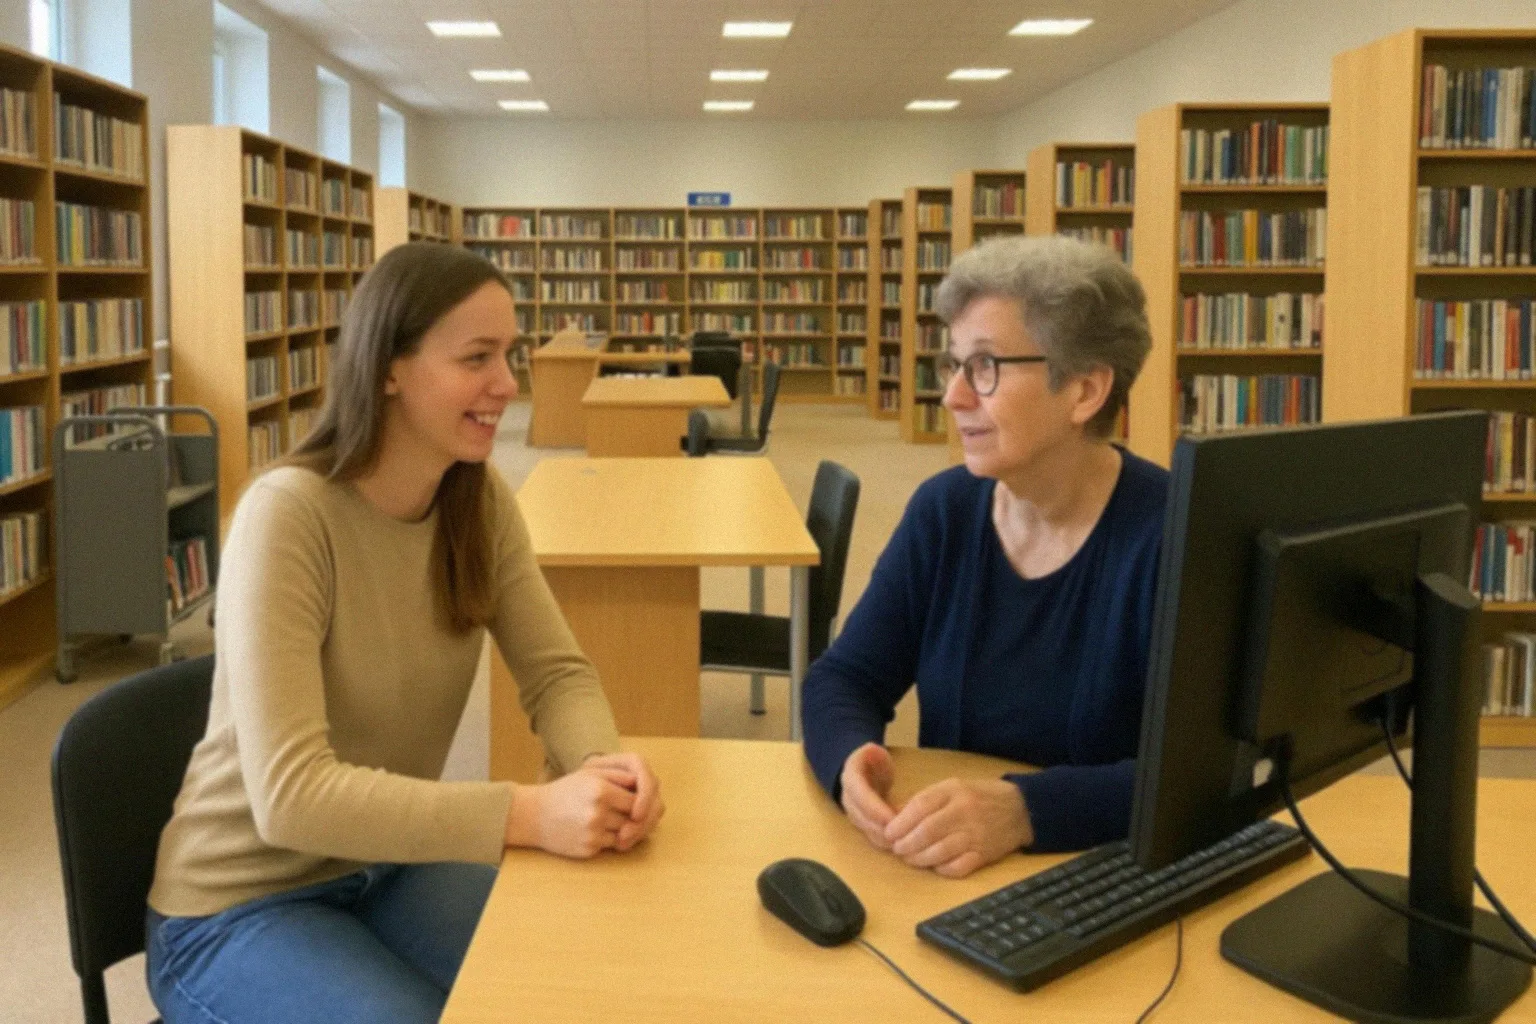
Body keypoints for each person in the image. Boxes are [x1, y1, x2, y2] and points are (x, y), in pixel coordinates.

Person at [145, 243, 664, 1024]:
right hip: (236, 907)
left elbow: (557, 674)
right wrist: (528, 813)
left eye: (509, 354)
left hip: (389, 864)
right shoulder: (287, 515)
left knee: (578, 980)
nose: (507, 384)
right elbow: (291, 798)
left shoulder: (476, 500)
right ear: (389, 367)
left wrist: (601, 773)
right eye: (476, 357)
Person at [802, 234, 1166, 877]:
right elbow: (846, 677)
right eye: (954, 366)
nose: (954, 398)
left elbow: (1211, 772)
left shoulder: (1170, 533)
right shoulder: (945, 512)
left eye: (986, 368)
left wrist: (1028, 810)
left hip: (1115, 883)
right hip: (952, 870)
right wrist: (848, 759)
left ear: (1084, 390)